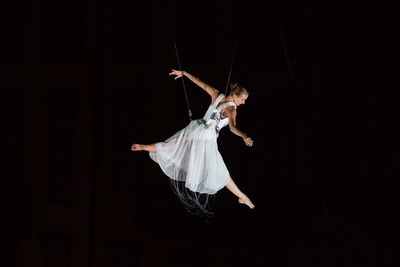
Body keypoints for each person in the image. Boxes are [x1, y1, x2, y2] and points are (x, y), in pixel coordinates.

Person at [131, 69, 255, 216]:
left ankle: (142, 147)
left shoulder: (216, 94)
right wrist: (245, 136)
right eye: (242, 99)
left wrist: (183, 73)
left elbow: (198, 81)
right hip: (206, 138)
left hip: (195, 129)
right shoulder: (231, 108)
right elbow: (233, 128)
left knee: (171, 147)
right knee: (220, 171)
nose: (244, 102)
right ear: (234, 97)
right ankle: (242, 196)